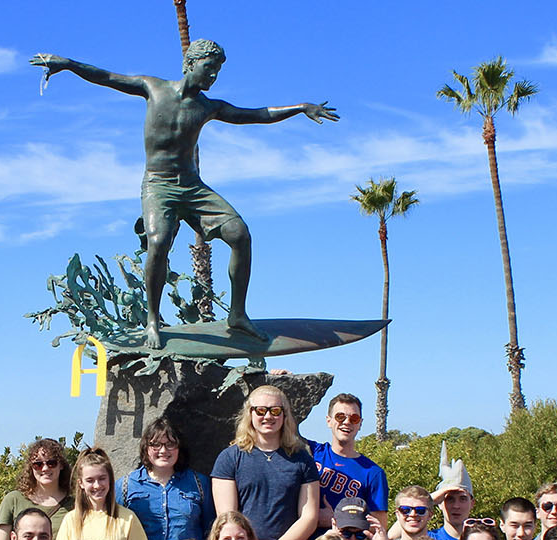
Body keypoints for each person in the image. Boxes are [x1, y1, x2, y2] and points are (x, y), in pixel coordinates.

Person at [32, 39, 336, 349]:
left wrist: (300, 108)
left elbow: (256, 114)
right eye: (209, 68)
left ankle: (238, 315)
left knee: (240, 234)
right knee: (159, 243)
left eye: (217, 71)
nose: (213, 76)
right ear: (190, 64)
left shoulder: (208, 107)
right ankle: (152, 319)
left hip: (192, 186)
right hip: (159, 184)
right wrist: (67, 64)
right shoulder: (153, 87)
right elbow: (107, 77)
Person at [212, 385, 321, 540]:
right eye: (261, 410)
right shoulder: (229, 458)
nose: (268, 416)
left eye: (275, 411)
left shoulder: (302, 459)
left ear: (284, 415)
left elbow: (309, 517)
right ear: (250, 414)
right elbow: (227, 518)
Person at [119, 419, 215, 540]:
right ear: (145, 448)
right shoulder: (125, 485)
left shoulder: (199, 483)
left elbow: (210, 529)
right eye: (155, 445)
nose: (163, 451)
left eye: (170, 444)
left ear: (179, 448)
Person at [55, 447, 152, 540]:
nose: (97, 485)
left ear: (110, 480)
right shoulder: (71, 520)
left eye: (102, 479)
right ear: (81, 483)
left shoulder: (127, 518)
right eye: (90, 480)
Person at [0, 439, 74, 540]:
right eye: (38, 464)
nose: (45, 468)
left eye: (51, 463)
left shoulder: (74, 505)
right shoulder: (13, 500)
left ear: (61, 465)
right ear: (31, 468)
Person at [310, 393, 389, 525]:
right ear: (329, 421)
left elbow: (378, 526)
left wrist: (335, 519)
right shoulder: (311, 452)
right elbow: (282, 426)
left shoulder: (373, 473)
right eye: (340, 417)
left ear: (360, 424)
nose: (346, 422)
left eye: (354, 418)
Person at [428, 445, 473, 540]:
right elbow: (393, 535)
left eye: (462, 499)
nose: (456, 506)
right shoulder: (428, 539)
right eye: (449, 499)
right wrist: (429, 500)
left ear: (472, 503)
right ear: (440, 502)